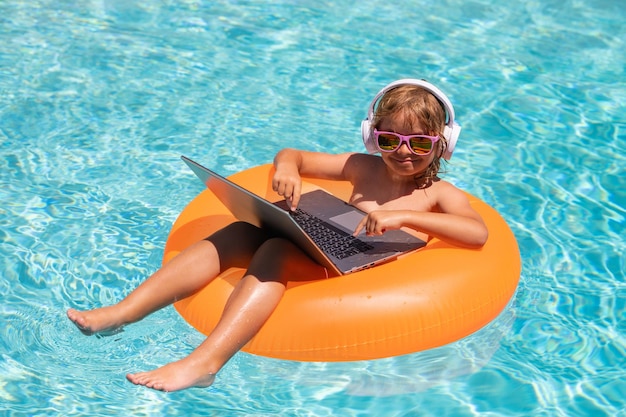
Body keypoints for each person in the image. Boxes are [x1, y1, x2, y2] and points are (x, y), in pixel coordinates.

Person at [67, 79, 488, 392]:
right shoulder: (363, 167)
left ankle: (205, 363)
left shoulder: (438, 193)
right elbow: (293, 155)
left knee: (274, 250)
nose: (404, 151)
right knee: (238, 232)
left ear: (442, 144)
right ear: (372, 136)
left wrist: (401, 216)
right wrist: (287, 170)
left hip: (365, 274)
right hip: (329, 248)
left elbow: (476, 232)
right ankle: (123, 314)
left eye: (419, 142)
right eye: (390, 138)